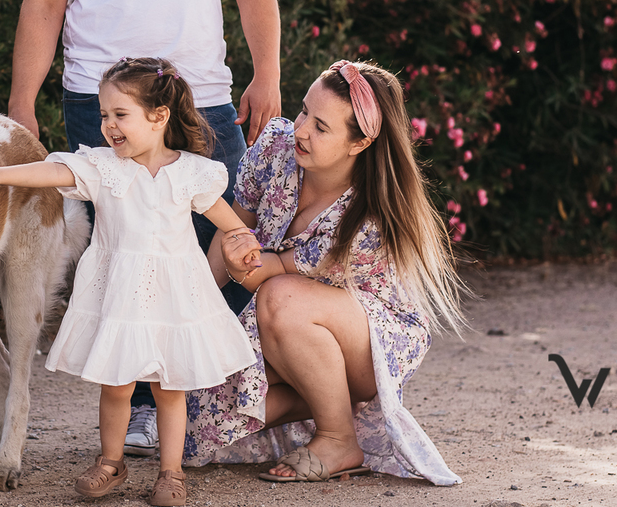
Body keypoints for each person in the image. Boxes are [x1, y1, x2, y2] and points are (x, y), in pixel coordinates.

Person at [8, 0, 281, 457]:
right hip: (104, 109)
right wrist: (21, 103)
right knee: (126, 263)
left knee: (229, 243)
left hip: (207, 100)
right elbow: (43, 5)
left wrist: (269, 74)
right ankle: (135, 413)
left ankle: (214, 401)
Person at [0, 58, 258, 506]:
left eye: (120, 115)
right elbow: (53, 172)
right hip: (121, 297)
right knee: (117, 386)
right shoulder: (105, 167)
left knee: (170, 388)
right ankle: (111, 461)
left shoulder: (191, 171)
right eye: (103, 115)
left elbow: (227, 220)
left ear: (159, 117)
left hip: (174, 298)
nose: (108, 126)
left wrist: (242, 241)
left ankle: (170, 473)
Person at [183, 60, 468, 486]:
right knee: (198, 422)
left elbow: (268, 273)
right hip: (287, 323)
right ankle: (326, 398)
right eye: (303, 112)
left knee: (281, 296)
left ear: (360, 142)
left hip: (370, 336)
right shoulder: (276, 147)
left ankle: (339, 437)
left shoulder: (366, 215)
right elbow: (233, 229)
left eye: (320, 127)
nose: (300, 130)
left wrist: (244, 261)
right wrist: (191, 307)